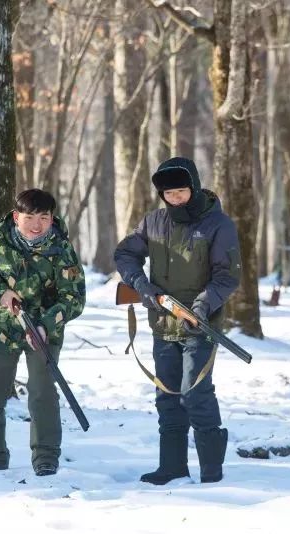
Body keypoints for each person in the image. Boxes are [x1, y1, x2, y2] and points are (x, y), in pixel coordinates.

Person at [114, 156, 241, 484]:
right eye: (169, 194)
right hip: (162, 323)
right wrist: (143, 287)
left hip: (200, 324)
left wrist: (202, 305)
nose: (175, 198)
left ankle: (211, 471)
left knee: (195, 392)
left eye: (181, 192)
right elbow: (125, 254)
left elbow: (226, 277)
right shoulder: (153, 222)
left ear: (194, 187)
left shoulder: (218, 225)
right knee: (167, 394)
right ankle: (171, 467)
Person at [0, 188, 85, 476]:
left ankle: (46, 458)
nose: (36, 225)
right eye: (29, 217)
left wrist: (45, 324)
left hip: (43, 330)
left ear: (52, 219)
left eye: (44, 217)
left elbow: (75, 298)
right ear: (16, 216)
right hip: (1, 328)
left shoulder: (61, 248)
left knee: (42, 393)